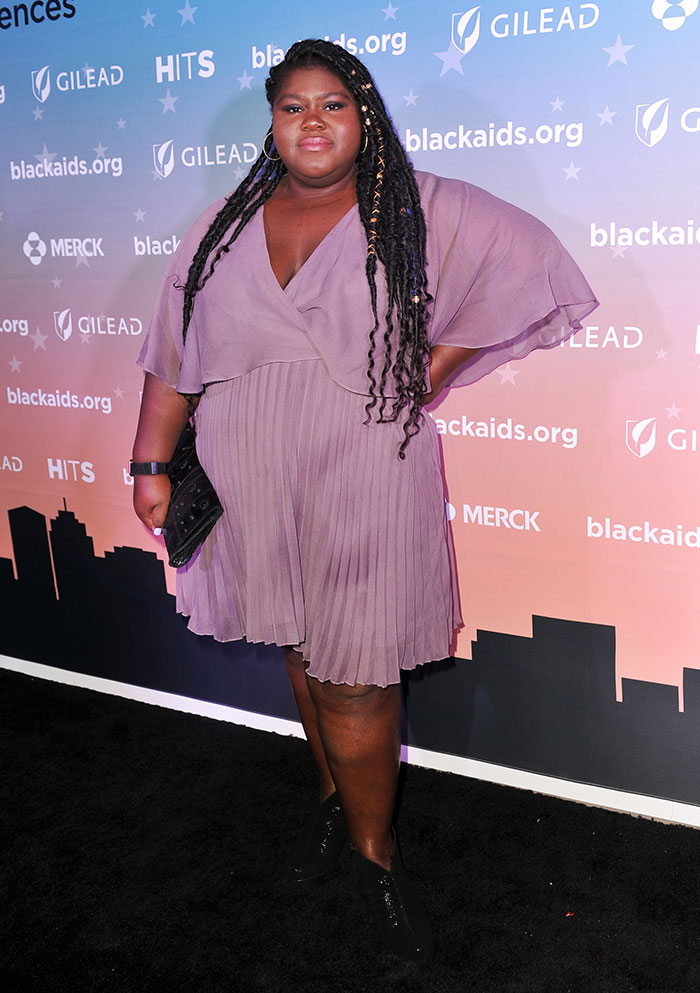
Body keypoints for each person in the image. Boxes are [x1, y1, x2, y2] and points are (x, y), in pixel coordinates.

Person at [131, 39, 597, 963]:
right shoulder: (222, 224)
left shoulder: (416, 205)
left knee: (356, 665)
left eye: (332, 103)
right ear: (272, 123)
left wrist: (435, 365)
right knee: (303, 645)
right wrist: (148, 461)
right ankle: (337, 801)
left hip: (363, 463)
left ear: (363, 115)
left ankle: (375, 859)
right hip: (248, 462)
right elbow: (171, 351)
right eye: (293, 105)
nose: (312, 120)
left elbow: (532, 264)